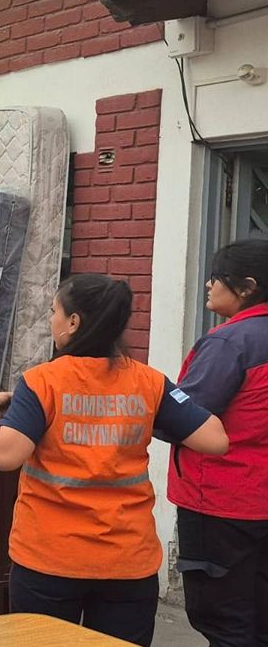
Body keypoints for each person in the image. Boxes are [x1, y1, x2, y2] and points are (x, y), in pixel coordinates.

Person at [0, 273, 228, 646]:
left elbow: (6, 455)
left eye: (53, 312)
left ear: (74, 322)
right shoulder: (150, 382)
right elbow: (215, 439)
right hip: (126, 561)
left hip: (50, 559)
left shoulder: (42, 382)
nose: (51, 320)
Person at [168, 239, 268, 647]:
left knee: (226, 620)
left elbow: (183, 416)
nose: (209, 285)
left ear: (246, 286)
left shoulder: (230, 343)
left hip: (222, 501)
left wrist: (151, 397)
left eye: (216, 277)